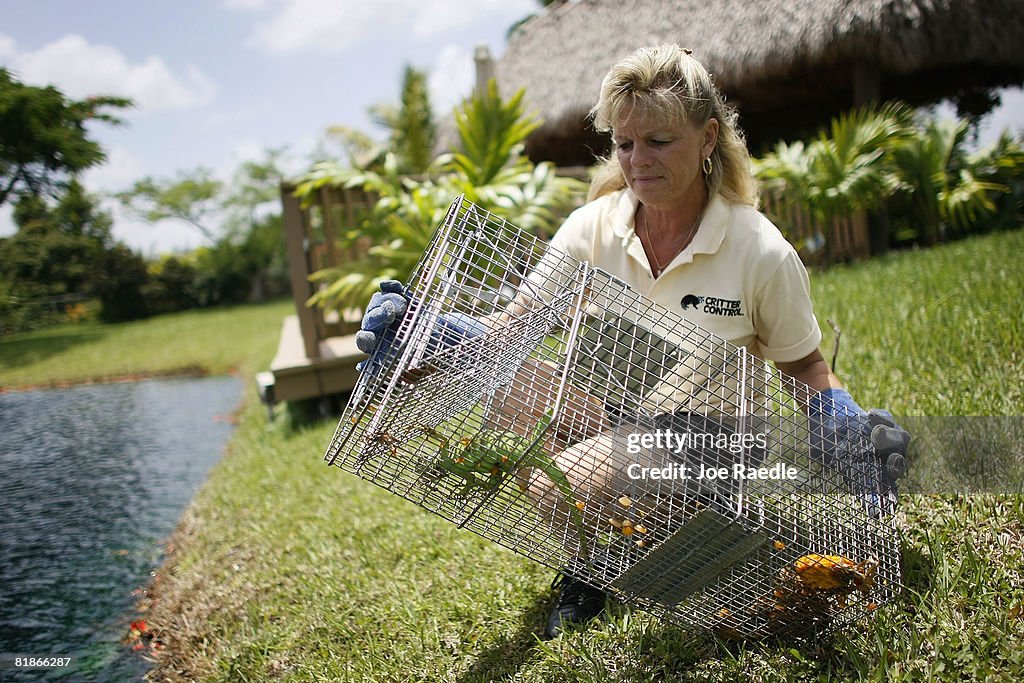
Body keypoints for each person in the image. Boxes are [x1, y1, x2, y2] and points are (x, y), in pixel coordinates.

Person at [357, 45, 908, 640]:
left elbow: (804, 362)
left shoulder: (759, 250)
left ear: (706, 139)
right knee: (503, 385)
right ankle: (606, 545)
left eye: (659, 141)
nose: (637, 161)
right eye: (625, 144)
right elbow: (511, 331)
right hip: (616, 413)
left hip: (709, 440)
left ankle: (617, 551)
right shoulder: (594, 228)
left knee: (551, 484)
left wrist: (840, 421)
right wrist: (424, 328)